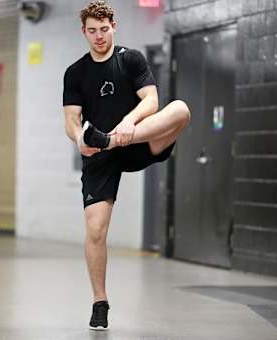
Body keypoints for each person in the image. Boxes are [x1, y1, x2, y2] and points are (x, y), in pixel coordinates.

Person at [62, 0, 190, 331]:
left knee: (181, 110)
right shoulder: (75, 73)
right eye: (92, 31)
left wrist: (128, 125)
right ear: (84, 32)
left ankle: (114, 138)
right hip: (99, 153)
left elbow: (152, 100)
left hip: (135, 140)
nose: (99, 36)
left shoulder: (130, 59)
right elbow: (71, 121)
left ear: (113, 26)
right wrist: (79, 140)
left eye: (104, 29)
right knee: (95, 229)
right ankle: (100, 303)